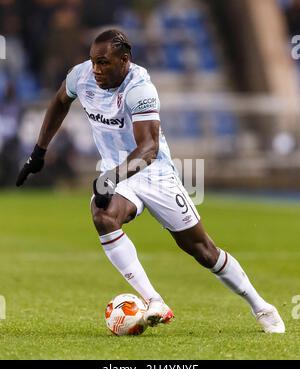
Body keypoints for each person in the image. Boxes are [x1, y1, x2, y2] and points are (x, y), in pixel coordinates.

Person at [16, 29, 285, 333]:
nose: (96, 69)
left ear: (124, 61)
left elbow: (148, 149)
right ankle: (154, 300)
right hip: (118, 174)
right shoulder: (82, 77)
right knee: (103, 216)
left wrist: (109, 178)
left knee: (203, 250)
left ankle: (261, 307)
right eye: (93, 61)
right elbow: (59, 101)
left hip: (155, 174)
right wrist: (38, 152)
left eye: (103, 63)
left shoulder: (140, 88)